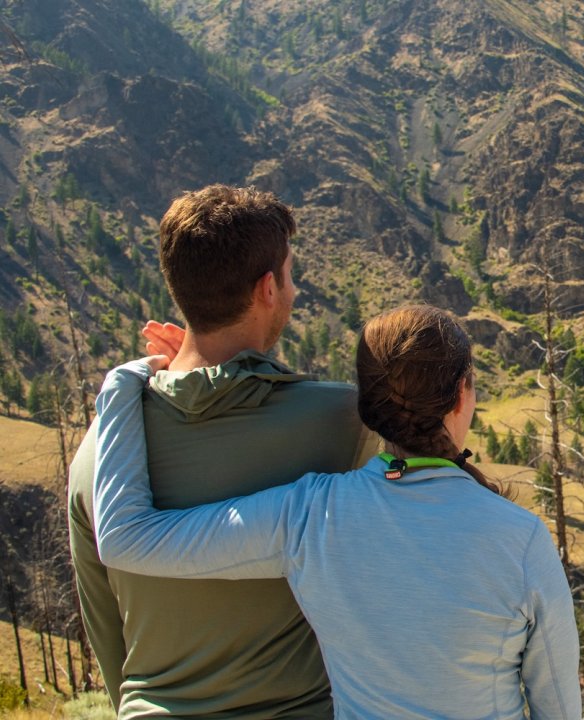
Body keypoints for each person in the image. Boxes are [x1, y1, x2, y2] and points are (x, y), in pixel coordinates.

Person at [91, 305, 582, 719]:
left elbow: (126, 540)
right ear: (461, 394)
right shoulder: (520, 539)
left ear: (368, 406)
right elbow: (557, 706)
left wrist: (125, 383)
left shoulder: (310, 517)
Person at [67, 185, 376, 717]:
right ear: (266, 289)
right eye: (290, 275)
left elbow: (109, 639)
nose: (295, 291)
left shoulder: (99, 452)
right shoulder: (341, 423)